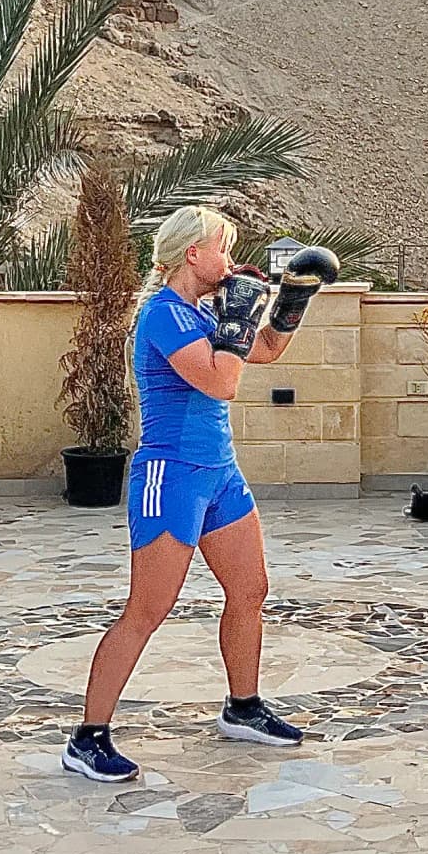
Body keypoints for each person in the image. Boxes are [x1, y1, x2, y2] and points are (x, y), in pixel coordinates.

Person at [63, 209, 338, 784]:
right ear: (193, 254)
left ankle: (243, 707)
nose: (231, 259)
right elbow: (222, 380)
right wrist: (236, 317)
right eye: (223, 247)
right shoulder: (162, 315)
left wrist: (292, 301)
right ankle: (87, 739)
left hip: (220, 474)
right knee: (148, 609)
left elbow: (263, 352)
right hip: (172, 477)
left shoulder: (199, 311)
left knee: (250, 589)